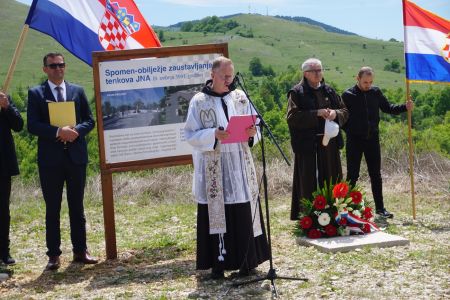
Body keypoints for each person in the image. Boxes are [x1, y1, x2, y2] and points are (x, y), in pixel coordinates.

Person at [184, 56, 270, 279]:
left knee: (242, 210)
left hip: (240, 166)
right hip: (215, 166)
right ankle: (218, 265)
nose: (229, 81)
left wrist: (253, 133)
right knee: (217, 213)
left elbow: (256, 123)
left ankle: (246, 262)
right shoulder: (199, 101)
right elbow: (190, 135)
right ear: (213, 75)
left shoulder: (240, 97)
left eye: (231, 76)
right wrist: (213, 134)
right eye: (224, 76)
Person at [27, 52, 98, 270]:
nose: (58, 68)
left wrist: (76, 131)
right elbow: (33, 125)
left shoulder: (77, 90)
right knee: (53, 208)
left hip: (75, 158)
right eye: (53, 65)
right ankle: (54, 255)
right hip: (51, 161)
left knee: (77, 207)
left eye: (61, 65)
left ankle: (80, 250)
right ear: (45, 69)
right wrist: (58, 131)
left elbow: (90, 120)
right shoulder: (36, 93)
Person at [342, 66, 414, 218]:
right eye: (365, 82)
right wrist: (350, 130)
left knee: (376, 175)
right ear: (358, 78)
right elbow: (341, 117)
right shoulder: (348, 95)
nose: (368, 85)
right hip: (354, 140)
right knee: (352, 175)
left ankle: (380, 209)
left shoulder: (376, 92)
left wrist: (404, 107)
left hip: (372, 139)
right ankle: (345, 208)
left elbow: (388, 108)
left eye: (370, 82)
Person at [286, 58, 348, 220]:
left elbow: (345, 111)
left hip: (330, 144)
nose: (318, 74)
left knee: (331, 178)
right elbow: (292, 117)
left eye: (320, 70)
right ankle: (310, 217)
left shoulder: (329, 90)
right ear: (306, 73)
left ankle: (334, 213)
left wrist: (336, 114)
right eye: (314, 71)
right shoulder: (297, 92)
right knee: (309, 180)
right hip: (308, 145)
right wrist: (316, 113)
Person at [0, 91, 23, 265]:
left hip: (2, 165)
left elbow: (18, 125)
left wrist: (6, 106)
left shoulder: (4, 97)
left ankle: (3, 252)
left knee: (2, 210)